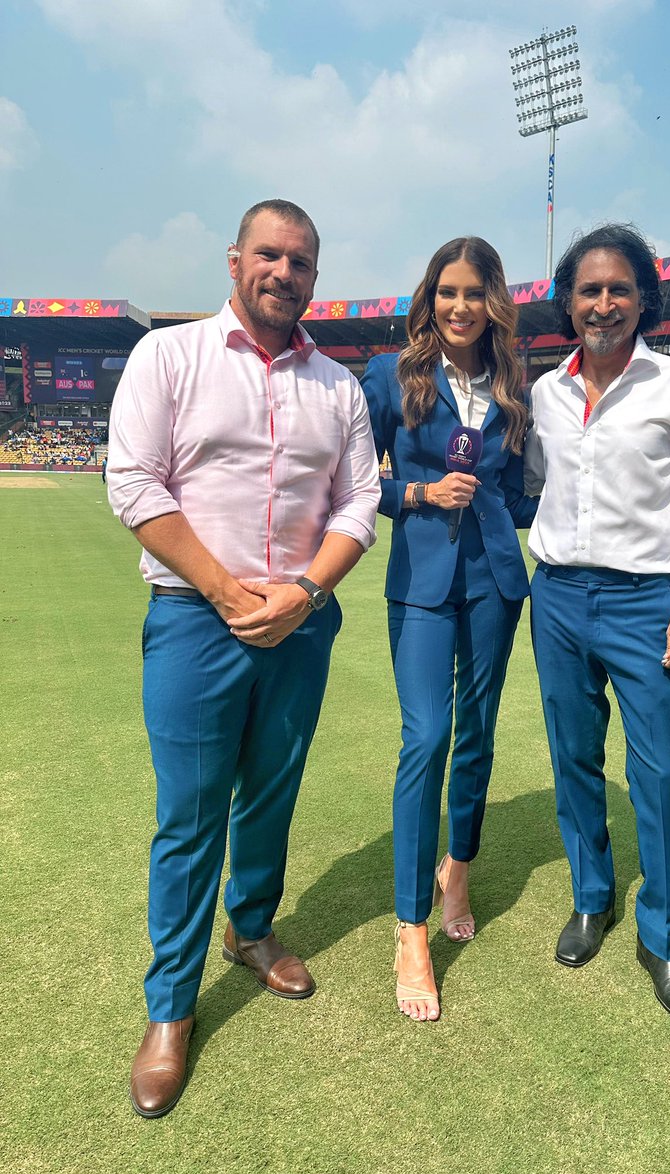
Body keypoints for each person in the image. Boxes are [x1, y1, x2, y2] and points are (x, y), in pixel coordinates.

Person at [107, 199, 380, 1116]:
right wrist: (231, 594)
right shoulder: (169, 357)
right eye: (269, 254)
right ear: (235, 261)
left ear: (313, 276)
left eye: (301, 262)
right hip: (194, 617)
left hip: (300, 621)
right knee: (189, 816)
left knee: (271, 790)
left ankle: (250, 930)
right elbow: (133, 482)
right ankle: (170, 1009)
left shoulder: (337, 388)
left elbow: (357, 506)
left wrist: (303, 595)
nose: (285, 273)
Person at [524, 223, 670, 1022]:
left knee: (662, 773)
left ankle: (665, 939)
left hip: (648, 603)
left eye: (618, 289)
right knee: (574, 759)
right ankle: (591, 898)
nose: (603, 303)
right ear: (568, 303)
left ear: (644, 297)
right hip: (560, 599)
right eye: (588, 290)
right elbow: (537, 484)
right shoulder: (545, 392)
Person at [361, 237, 536, 1022]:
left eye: (474, 292)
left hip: (497, 579)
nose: (460, 306)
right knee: (425, 737)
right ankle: (411, 929)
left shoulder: (511, 383)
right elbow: (357, 485)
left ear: (492, 300)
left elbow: (523, 492)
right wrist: (422, 497)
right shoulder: (390, 377)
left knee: (478, 735)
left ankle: (457, 869)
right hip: (422, 582)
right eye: (447, 291)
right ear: (429, 297)